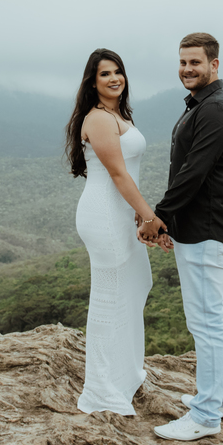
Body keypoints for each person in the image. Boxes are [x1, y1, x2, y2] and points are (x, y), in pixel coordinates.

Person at [139, 32, 223, 442]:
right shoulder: (203, 104)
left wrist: (158, 218)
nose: (187, 69)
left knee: (205, 321)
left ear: (214, 64)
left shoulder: (215, 109)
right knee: (212, 317)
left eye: (195, 62)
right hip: (200, 225)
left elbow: (194, 173)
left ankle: (205, 415)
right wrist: (173, 226)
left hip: (208, 227)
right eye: (182, 62)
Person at [66, 47, 167, 416]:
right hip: (105, 214)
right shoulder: (97, 119)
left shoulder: (118, 114)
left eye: (117, 71)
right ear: (92, 83)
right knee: (109, 296)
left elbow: (127, 176)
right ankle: (102, 390)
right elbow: (118, 174)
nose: (114, 78)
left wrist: (138, 214)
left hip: (122, 212)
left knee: (137, 283)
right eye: (104, 74)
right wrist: (150, 217)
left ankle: (125, 373)